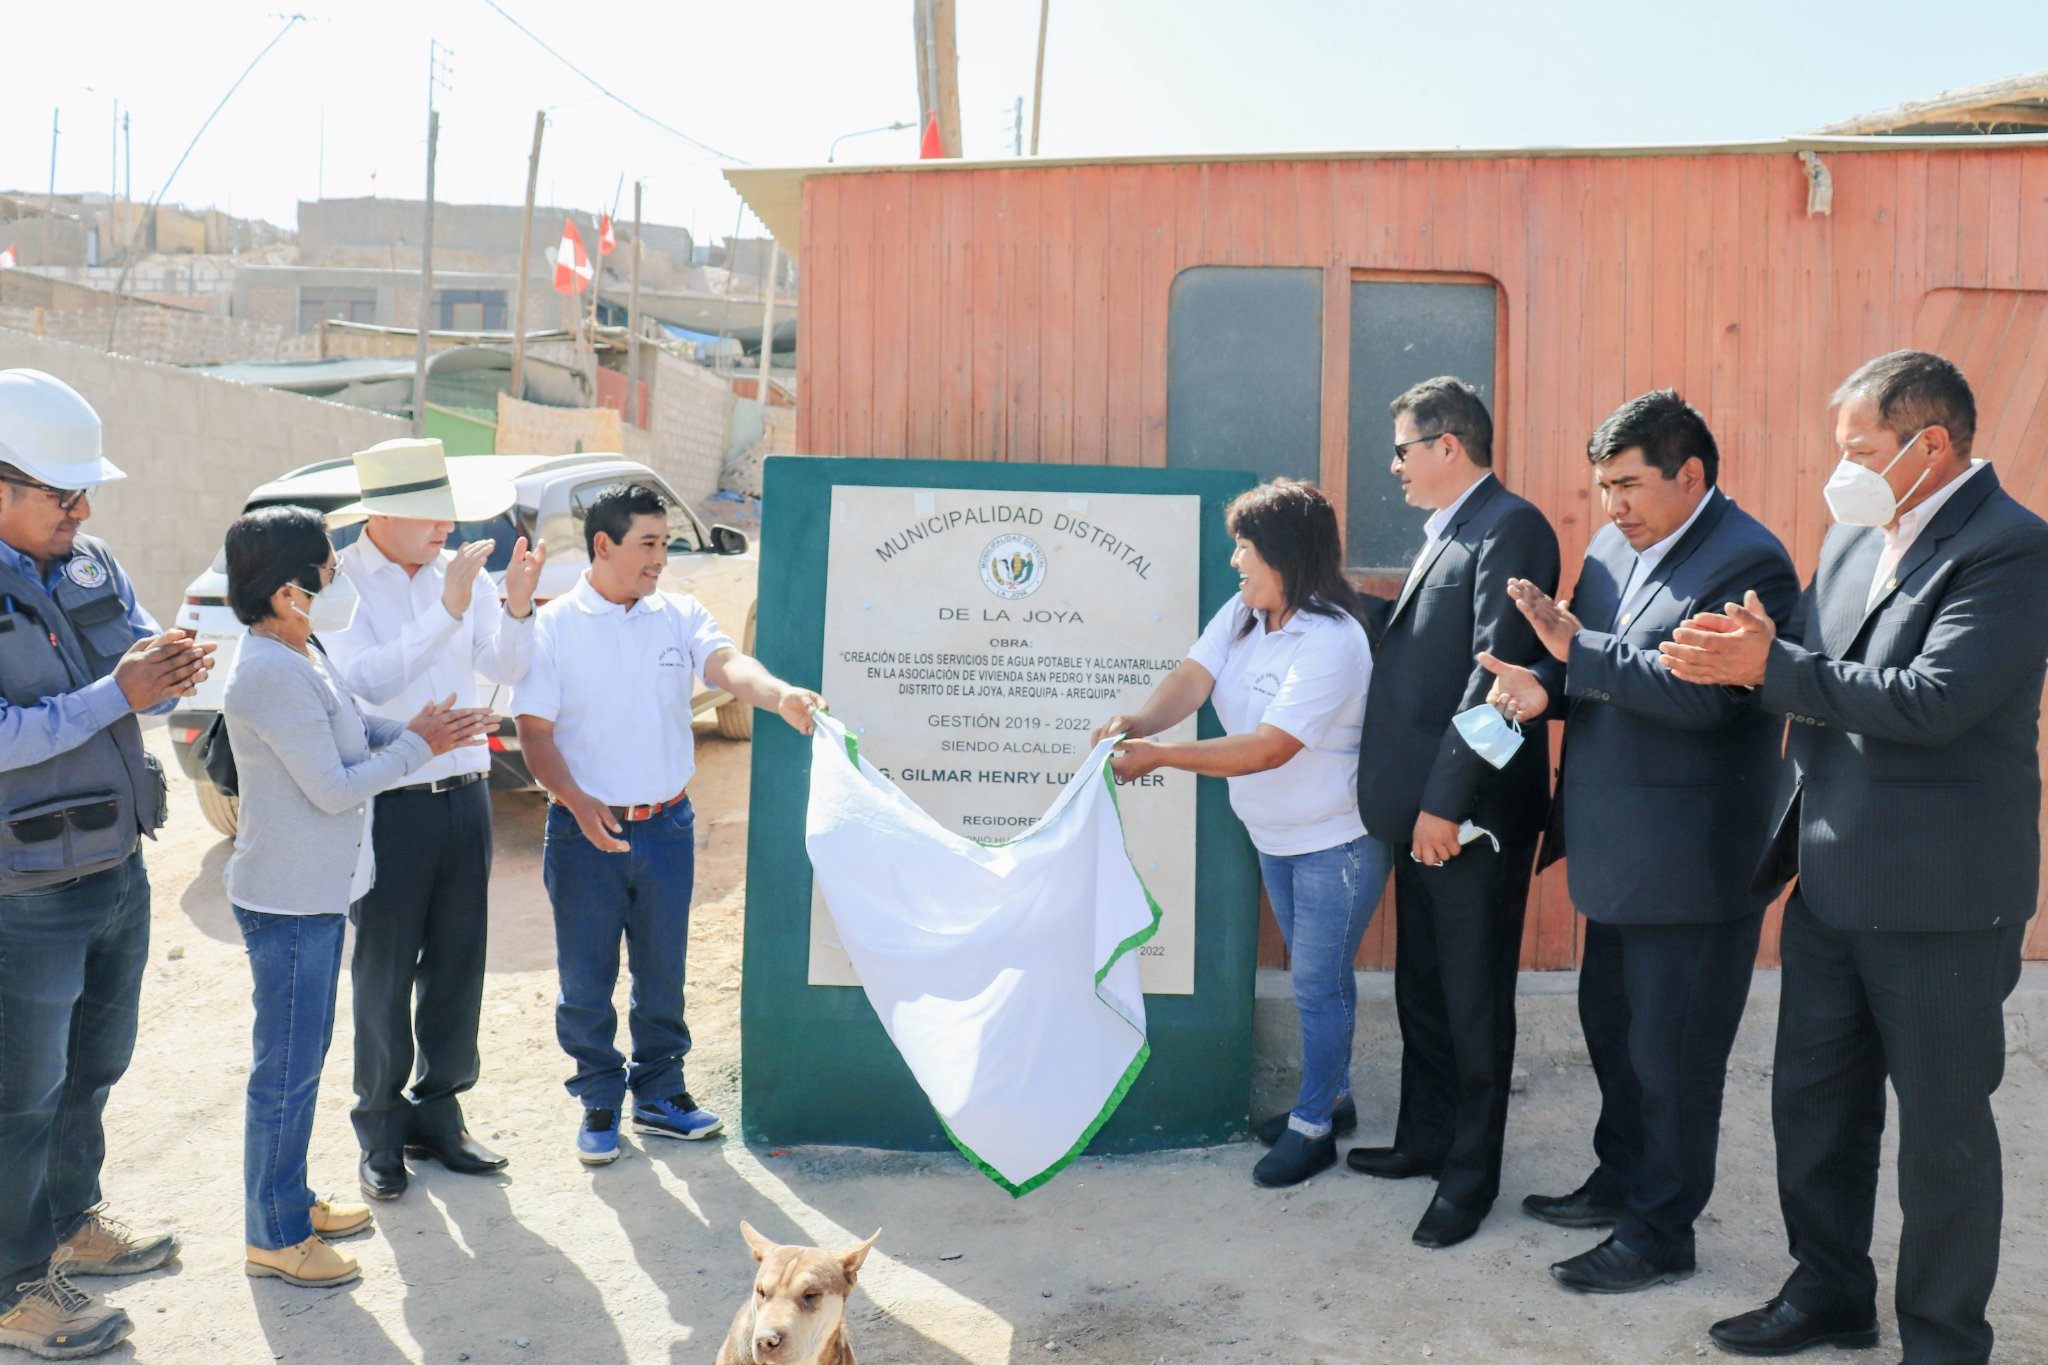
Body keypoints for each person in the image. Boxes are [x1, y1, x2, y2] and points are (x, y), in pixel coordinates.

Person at [1660, 350, 2048, 1364]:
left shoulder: (2011, 550)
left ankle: (1941, 1338)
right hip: (1828, 878)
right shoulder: (1848, 537)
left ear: (1929, 444)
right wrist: (1738, 649)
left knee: (1941, 1135)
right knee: (1812, 1109)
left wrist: (1772, 666)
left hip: (1940, 896)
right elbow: (1805, 664)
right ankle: (1828, 1292)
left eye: (1860, 450)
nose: (1842, 472)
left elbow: (1932, 701)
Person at [1474, 390, 1798, 1293]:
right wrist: (1545, 683)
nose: (1610, 504)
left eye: (1628, 484)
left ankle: (1661, 1232)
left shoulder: (1749, 561)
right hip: (1617, 849)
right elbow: (1588, 659)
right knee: (1613, 1031)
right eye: (1602, 486)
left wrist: (1576, 655)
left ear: (1690, 475)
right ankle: (1620, 1178)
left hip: (1693, 861)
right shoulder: (1614, 547)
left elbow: (1707, 693)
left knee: (1675, 1057)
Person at [0, 369, 215, 1361]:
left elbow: (143, 690)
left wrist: (168, 673)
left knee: (92, 1069)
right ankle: (12, 1291)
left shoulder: (92, 566)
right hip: (23, 892)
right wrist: (114, 696)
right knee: (19, 1095)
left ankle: (70, 1226)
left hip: (113, 872)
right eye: (61, 493)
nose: (83, 510)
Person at [512, 482, 823, 1165]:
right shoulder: (554, 626)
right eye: (648, 543)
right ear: (604, 544)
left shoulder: (677, 614)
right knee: (586, 978)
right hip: (583, 831)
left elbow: (730, 666)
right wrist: (572, 797)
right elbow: (533, 734)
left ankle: (661, 1095)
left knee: (663, 973)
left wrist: (780, 696)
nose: (661, 556)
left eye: (665, 542)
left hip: (666, 827)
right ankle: (599, 1099)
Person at [221, 506, 492, 1289]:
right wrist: (418, 746)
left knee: (298, 1062)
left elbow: (351, 724)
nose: (335, 580)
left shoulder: (299, 652)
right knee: (287, 1072)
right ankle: (274, 1234)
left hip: (311, 893)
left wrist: (418, 726)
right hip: (288, 899)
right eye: (325, 572)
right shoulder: (269, 672)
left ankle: (291, 1201)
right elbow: (336, 789)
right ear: (285, 592)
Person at [1093, 480, 1380, 1189]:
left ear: (1283, 555)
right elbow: (1193, 679)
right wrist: (1140, 723)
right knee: (1318, 978)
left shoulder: (1334, 639)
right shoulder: (1249, 613)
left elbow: (1268, 747)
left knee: (1317, 983)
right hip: (1274, 834)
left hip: (1334, 840)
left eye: (1245, 549)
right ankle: (1333, 1098)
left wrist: (1160, 756)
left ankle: (1314, 1126)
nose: (1235, 563)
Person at [1348, 375, 1559, 1250]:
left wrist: (1445, 803)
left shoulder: (1512, 525)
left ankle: (1471, 1177)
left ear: (1447, 445)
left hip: (1468, 817)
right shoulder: (1453, 531)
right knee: (1425, 988)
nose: (1392, 466)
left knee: (1473, 999)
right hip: (1422, 815)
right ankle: (1426, 1139)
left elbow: (1491, 676)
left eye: (1401, 448)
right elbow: (1425, 645)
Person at [321, 438, 545, 1202]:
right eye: (431, 511)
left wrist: (512, 604)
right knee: (382, 972)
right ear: (381, 513)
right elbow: (362, 682)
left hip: (466, 790)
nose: (447, 526)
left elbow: (507, 668)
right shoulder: (342, 581)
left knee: (457, 963)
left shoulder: (467, 577)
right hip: (389, 800)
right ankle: (380, 1128)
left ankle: (439, 1115)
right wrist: (446, 612)